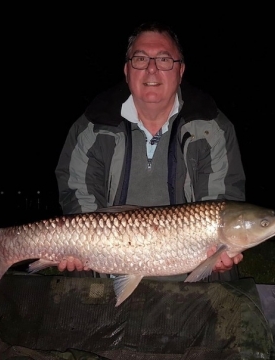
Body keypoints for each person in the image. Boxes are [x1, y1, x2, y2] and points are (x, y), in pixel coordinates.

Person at [55, 21, 245, 279]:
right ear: (126, 69)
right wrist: (77, 248)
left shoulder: (213, 129)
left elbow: (221, 199)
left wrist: (218, 259)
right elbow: (79, 199)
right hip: (106, 271)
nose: (152, 68)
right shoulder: (91, 129)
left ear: (181, 71)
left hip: (192, 288)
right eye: (141, 59)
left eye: (165, 59)